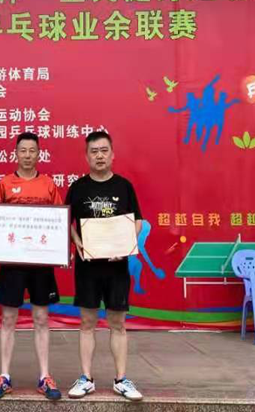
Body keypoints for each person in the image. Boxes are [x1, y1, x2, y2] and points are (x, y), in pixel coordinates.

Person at [65, 130, 143, 401]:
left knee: (117, 323)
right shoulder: (78, 188)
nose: (99, 156)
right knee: (87, 322)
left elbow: (137, 221)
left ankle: (121, 379)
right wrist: (77, 242)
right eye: (94, 151)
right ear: (87, 156)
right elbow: (66, 221)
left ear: (112, 154)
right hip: (88, 266)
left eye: (104, 150)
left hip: (117, 267)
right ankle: (86, 378)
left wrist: (126, 246)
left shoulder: (124, 186)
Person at [0, 132, 63, 401]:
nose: (28, 155)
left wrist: (61, 251)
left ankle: (45, 376)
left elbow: (59, 222)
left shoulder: (48, 184)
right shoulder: (5, 184)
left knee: (41, 318)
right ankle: (4, 375)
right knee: (8, 318)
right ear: (16, 153)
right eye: (23, 150)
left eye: (32, 151)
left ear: (39, 153)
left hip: (41, 263)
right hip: (13, 264)